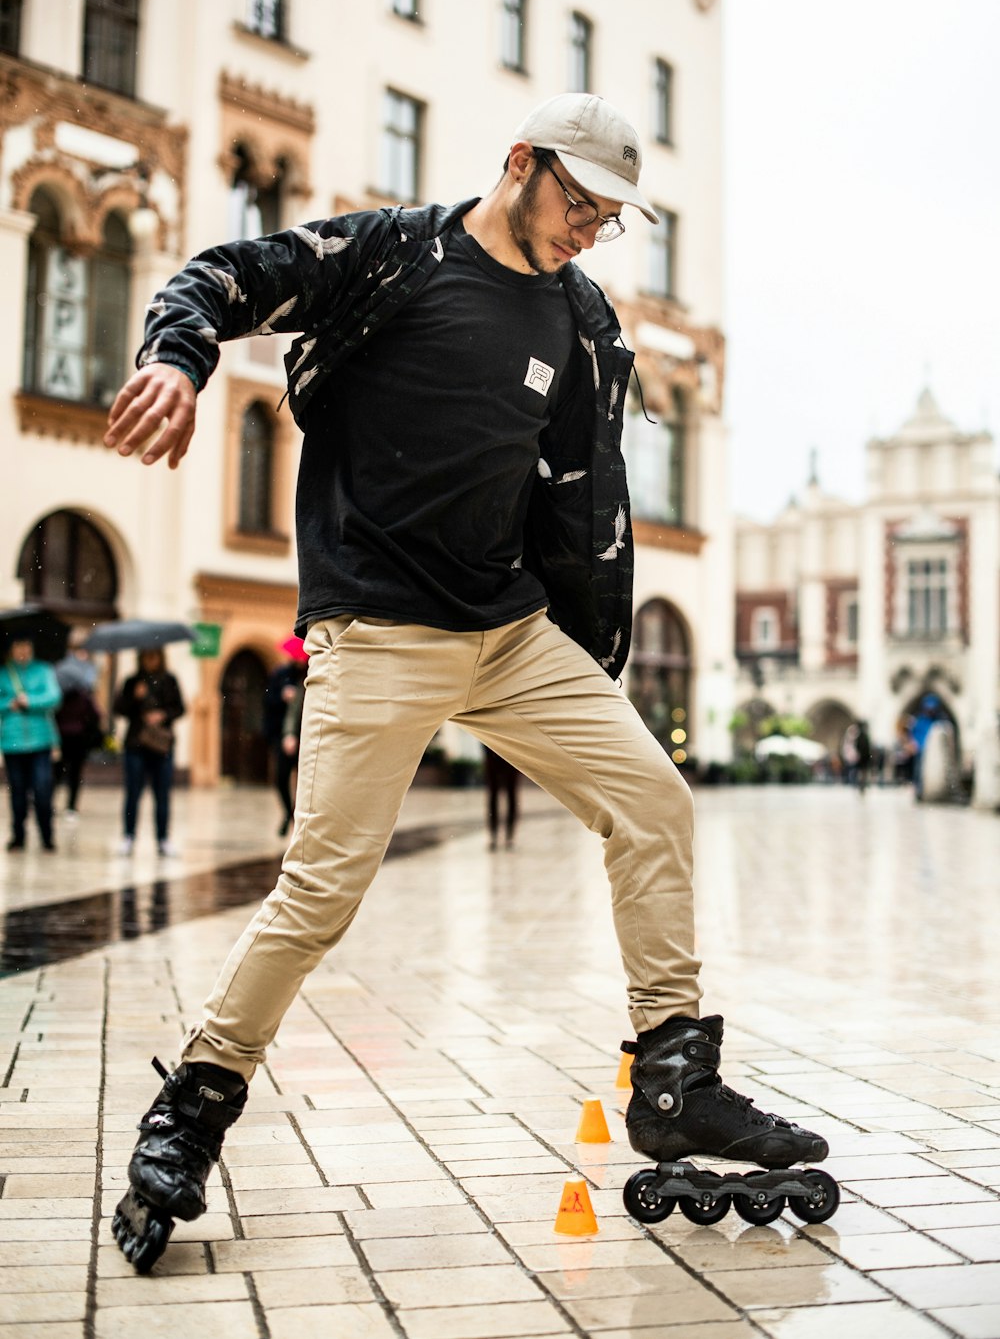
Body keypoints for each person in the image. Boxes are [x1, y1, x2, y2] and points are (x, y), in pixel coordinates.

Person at [104, 93, 830, 1252]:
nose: (587, 230)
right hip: (380, 631)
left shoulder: (582, 320)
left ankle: (674, 1076)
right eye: (577, 202)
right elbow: (220, 276)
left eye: (607, 218)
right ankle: (191, 1106)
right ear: (520, 163)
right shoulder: (391, 256)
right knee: (321, 888)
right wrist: (180, 364)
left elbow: (585, 497)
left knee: (653, 799)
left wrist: (590, 645)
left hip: (510, 631)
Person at [113, 649, 186, 857]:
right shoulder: (132, 681)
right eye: (147, 656)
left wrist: (162, 714)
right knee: (132, 792)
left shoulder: (170, 680)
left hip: (162, 745)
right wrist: (136, 698)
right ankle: (128, 836)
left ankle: (163, 838)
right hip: (136, 743)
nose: (150, 660)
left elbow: (180, 708)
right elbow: (119, 708)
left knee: (162, 794)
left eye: (154, 656)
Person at [0, 638, 61, 852]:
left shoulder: (43, 670)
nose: (23, 651)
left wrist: (30, 701)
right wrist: (9, 704)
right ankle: (18, 835)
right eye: (18, 646)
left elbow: (54, 697)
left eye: (26, 646)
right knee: (17, 791)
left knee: (42, 788)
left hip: (40, 740)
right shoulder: (4, 672)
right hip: (12, 741)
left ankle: (47, 834)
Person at [54, 634, 104, 819]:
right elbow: (96, 714)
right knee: (70, 771)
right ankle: (70, 807)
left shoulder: (62, 681)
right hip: (72, 735)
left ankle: (61, 805)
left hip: (70, 735)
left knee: (62, 771)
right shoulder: (82, 687)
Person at [263, 639, 307, 837]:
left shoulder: (311, 673)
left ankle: (297, 815)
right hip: (282, 735)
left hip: (305, 735)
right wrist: (282, 696)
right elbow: (268, 700)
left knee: (304, 782)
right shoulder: (281, 674)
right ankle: (288, 813)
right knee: (281, 778)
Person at [483, 744, 521, 849]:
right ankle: (495, 834)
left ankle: (508, 835)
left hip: (508, 756)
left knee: (508, 796)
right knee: (497, 796)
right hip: (497, 755)